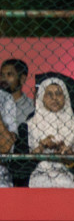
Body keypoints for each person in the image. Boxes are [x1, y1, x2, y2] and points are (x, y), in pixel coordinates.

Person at [26, 76, 74, 187]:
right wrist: (42, 146)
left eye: (59, 94)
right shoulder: (30, 124)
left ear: (65, 96)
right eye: (49, 94)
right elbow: (26, 161)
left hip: (68, 173)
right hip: (39, 174)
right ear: (41, 97)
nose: (54, 98)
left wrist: (67, 152)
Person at [0, 58, 34, 188]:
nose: (4, 79)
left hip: (22, 163)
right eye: (2, 75)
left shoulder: (32, 107)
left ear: (23, 79)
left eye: (10, 75)